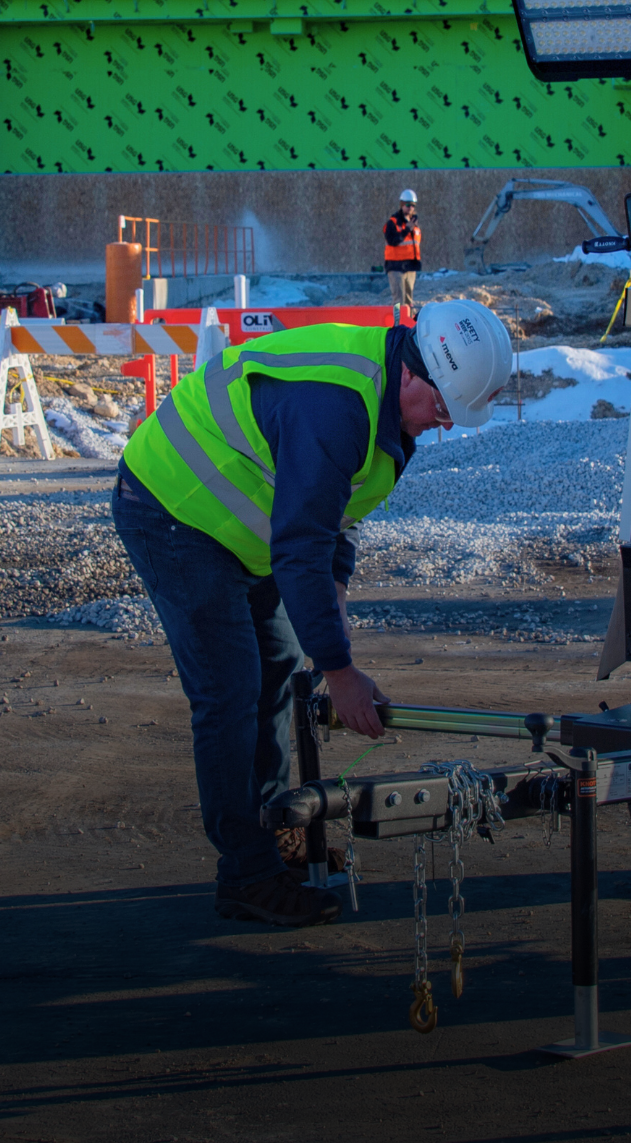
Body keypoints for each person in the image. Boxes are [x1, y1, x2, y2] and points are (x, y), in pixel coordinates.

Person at [115, 299, 511, 927]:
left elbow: (333, 520)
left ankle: (273, 830)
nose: (443, 426)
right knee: (230, 690)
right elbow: (300, 547)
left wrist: (334, 619)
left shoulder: (387, 408)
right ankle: (246, 874)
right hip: (173, 507)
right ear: (414, 373)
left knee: (277, 667)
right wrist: (342, 671)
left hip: (241, 528)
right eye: (441, 409)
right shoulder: (337, 406)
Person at [383, 189, 422, 311]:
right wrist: (407, 229)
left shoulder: (414, 225)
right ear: (402, 204)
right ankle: (398, 325)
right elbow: (392, 240)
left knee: (409, 300)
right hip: (396, 267)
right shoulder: (393, 223)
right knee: (398, 301)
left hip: (410, 266)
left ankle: (408, 325)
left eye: (413, 205)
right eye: (408, 205)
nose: (410, 208)